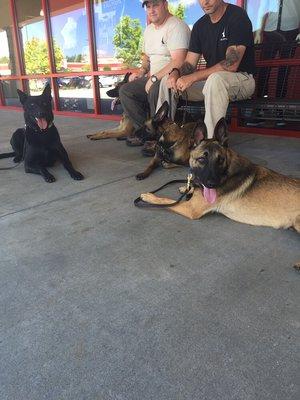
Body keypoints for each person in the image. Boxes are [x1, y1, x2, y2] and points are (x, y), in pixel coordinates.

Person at [157, 0, 256, 138]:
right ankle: (163, 138)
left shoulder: (237, 15)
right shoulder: (199, 26)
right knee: (167, 82)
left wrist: (194, 77)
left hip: (242, 79)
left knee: (215, 80)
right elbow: (190, 64)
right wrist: (176, 73)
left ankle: (210, 144)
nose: (205, 2)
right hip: (211, 83)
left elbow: (232, 64)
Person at [119, 0, 191, 147]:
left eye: (155, 5)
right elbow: (146, 56)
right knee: (126, 91)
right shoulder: (149, 30)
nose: (151, 10)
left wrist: (153, 78)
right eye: (148, 6)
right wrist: (142, 72)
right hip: (153, 77)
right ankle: (144, 132)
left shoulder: (177, 26)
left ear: (165, 5)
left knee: (154, 89)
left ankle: (158, 137)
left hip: (172, 77)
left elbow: (179, 61)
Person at [254, 0, 300, 98]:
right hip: (270, 29)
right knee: (264, 68)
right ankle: (261, 102)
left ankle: (280, 106)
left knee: (285, 69)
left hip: (291, 29)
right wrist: (259, 30)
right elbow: (263, 4)